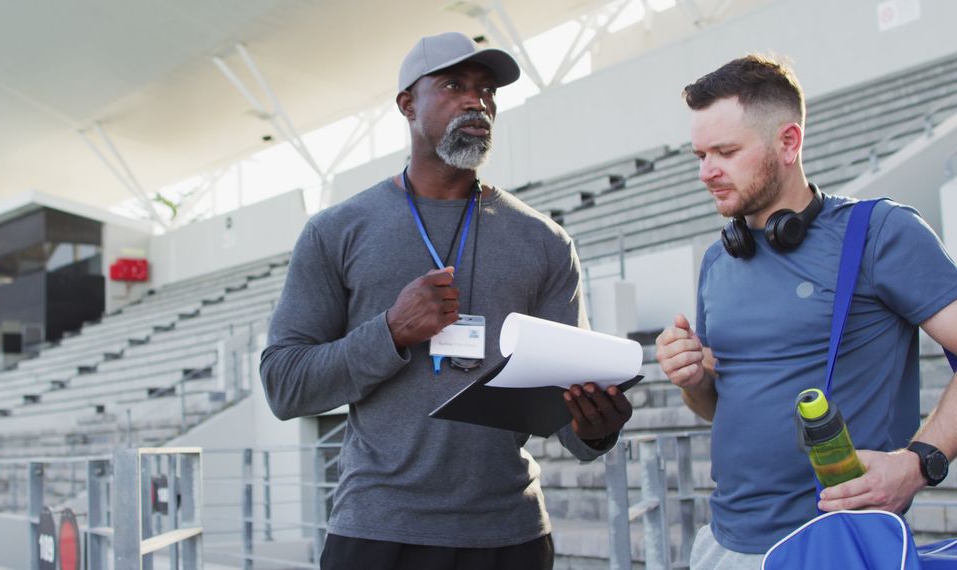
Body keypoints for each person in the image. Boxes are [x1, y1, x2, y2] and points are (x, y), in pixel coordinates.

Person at [260, 32, 632, 570]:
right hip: (378, 531)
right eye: (454, 85)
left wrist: (594, 428)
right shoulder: (335, 231)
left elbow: (567, 416)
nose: (475, 101)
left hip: (511, 536)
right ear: (407, 104)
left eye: (487, 91)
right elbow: (284, 384)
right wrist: (389, 332)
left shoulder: (545, 242)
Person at [655, 54, 957, 567]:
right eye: (699, 154)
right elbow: (717, 407)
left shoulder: (880, 233)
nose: (706, 172)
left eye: (725, 151)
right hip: (722, 545)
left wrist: (920, 462)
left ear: (789, 143)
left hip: (833, 544)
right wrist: (693, 379)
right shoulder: (718, 259)